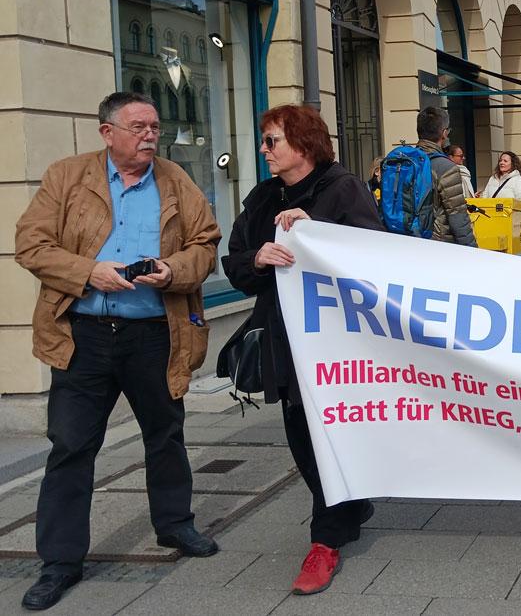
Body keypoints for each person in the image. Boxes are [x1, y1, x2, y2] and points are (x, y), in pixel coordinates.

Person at [14, 92, 221, 611]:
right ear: (107, 132)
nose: (150, 135)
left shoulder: (175, 179)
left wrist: (173, 270)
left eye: (154, 126)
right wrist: (91, 273)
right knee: (70, 446)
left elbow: (206, 242)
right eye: (137, 127)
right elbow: (31, 244)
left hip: (155, 333)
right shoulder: (67, 176)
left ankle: (175, 525)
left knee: (166, 434)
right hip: (82, 335)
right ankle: (60, 561)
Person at [221, 104, 383, 595]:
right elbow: (235, 264)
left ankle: (324, 543)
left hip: (337, 343)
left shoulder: (343, 189)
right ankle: (350, 506)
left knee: (322, 438)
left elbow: (375, 254)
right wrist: (259, 255)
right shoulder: (264, 197)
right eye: (265, 141)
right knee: (300, 436)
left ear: (304, 143)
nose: (265, 150)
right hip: (284, 338)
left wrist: (315, 229)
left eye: (273, 141)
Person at [414, 107, 476, 245]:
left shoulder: (404, 162)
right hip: (437, 246)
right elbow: (458, 219)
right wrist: (473, 251)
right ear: (444, 133)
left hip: (403, 241)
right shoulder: (446, 167)